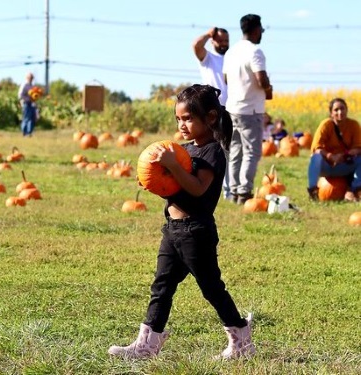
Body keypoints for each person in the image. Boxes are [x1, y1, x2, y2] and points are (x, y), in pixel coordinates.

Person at [108, 84, 255, 360]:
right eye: (178, 119)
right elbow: (173, 186)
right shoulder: (184, 151)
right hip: (173, 231)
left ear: (210, 118)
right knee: (161, 286)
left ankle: (241, 339)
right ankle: (146, 345)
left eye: (188, 118)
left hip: (196, 233)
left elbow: (197, 188)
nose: (182, 124)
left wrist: (173, 166)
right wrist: (152, 179)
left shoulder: (212, 152)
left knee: (211, 288)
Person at [223, 14, 273, 204]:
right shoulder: (255, 51)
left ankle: (234, 191)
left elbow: (226, 79)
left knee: (236, 150)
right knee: (252, 152)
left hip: (232, 108)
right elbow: (261, 79)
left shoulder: (231, 52)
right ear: (256, 30)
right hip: (250, 109)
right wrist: (268, 88)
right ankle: (244, 191)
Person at [193, 26, 231, 200]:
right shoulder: (208, 58)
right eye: (220, 40)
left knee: (230, 150)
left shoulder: (232, 59)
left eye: (226, 41)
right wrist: (209, 34)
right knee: (214, 149)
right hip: (211, 111)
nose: (224, 44)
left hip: (231, 110)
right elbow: (196, 46)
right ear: (213, 41)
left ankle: (228, 189)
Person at [307, 98, 361, 202]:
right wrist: (330, 156)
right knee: (315, 157)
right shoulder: (326, 125)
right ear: (331, 113)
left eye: (342, 109)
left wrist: (345, 154)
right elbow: (316, 148)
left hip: (344, 164)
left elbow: (358, 147)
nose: (340, 112)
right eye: (336, 110)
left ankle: (355, 189)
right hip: (327, 166)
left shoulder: (354, 125)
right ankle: (313, 190)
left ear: (347, 110)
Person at [18, 72, 38, 137]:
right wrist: (27, 100)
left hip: (32, 104)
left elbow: (35, 95)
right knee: (26, 118)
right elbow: (21, 95)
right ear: (27, 78)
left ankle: (29, 133)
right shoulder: (25, 85)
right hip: (26, 104)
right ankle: (24, 132)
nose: (31, 79)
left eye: (32, 77)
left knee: (32, 119)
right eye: (30, 77)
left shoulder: (33, 86)